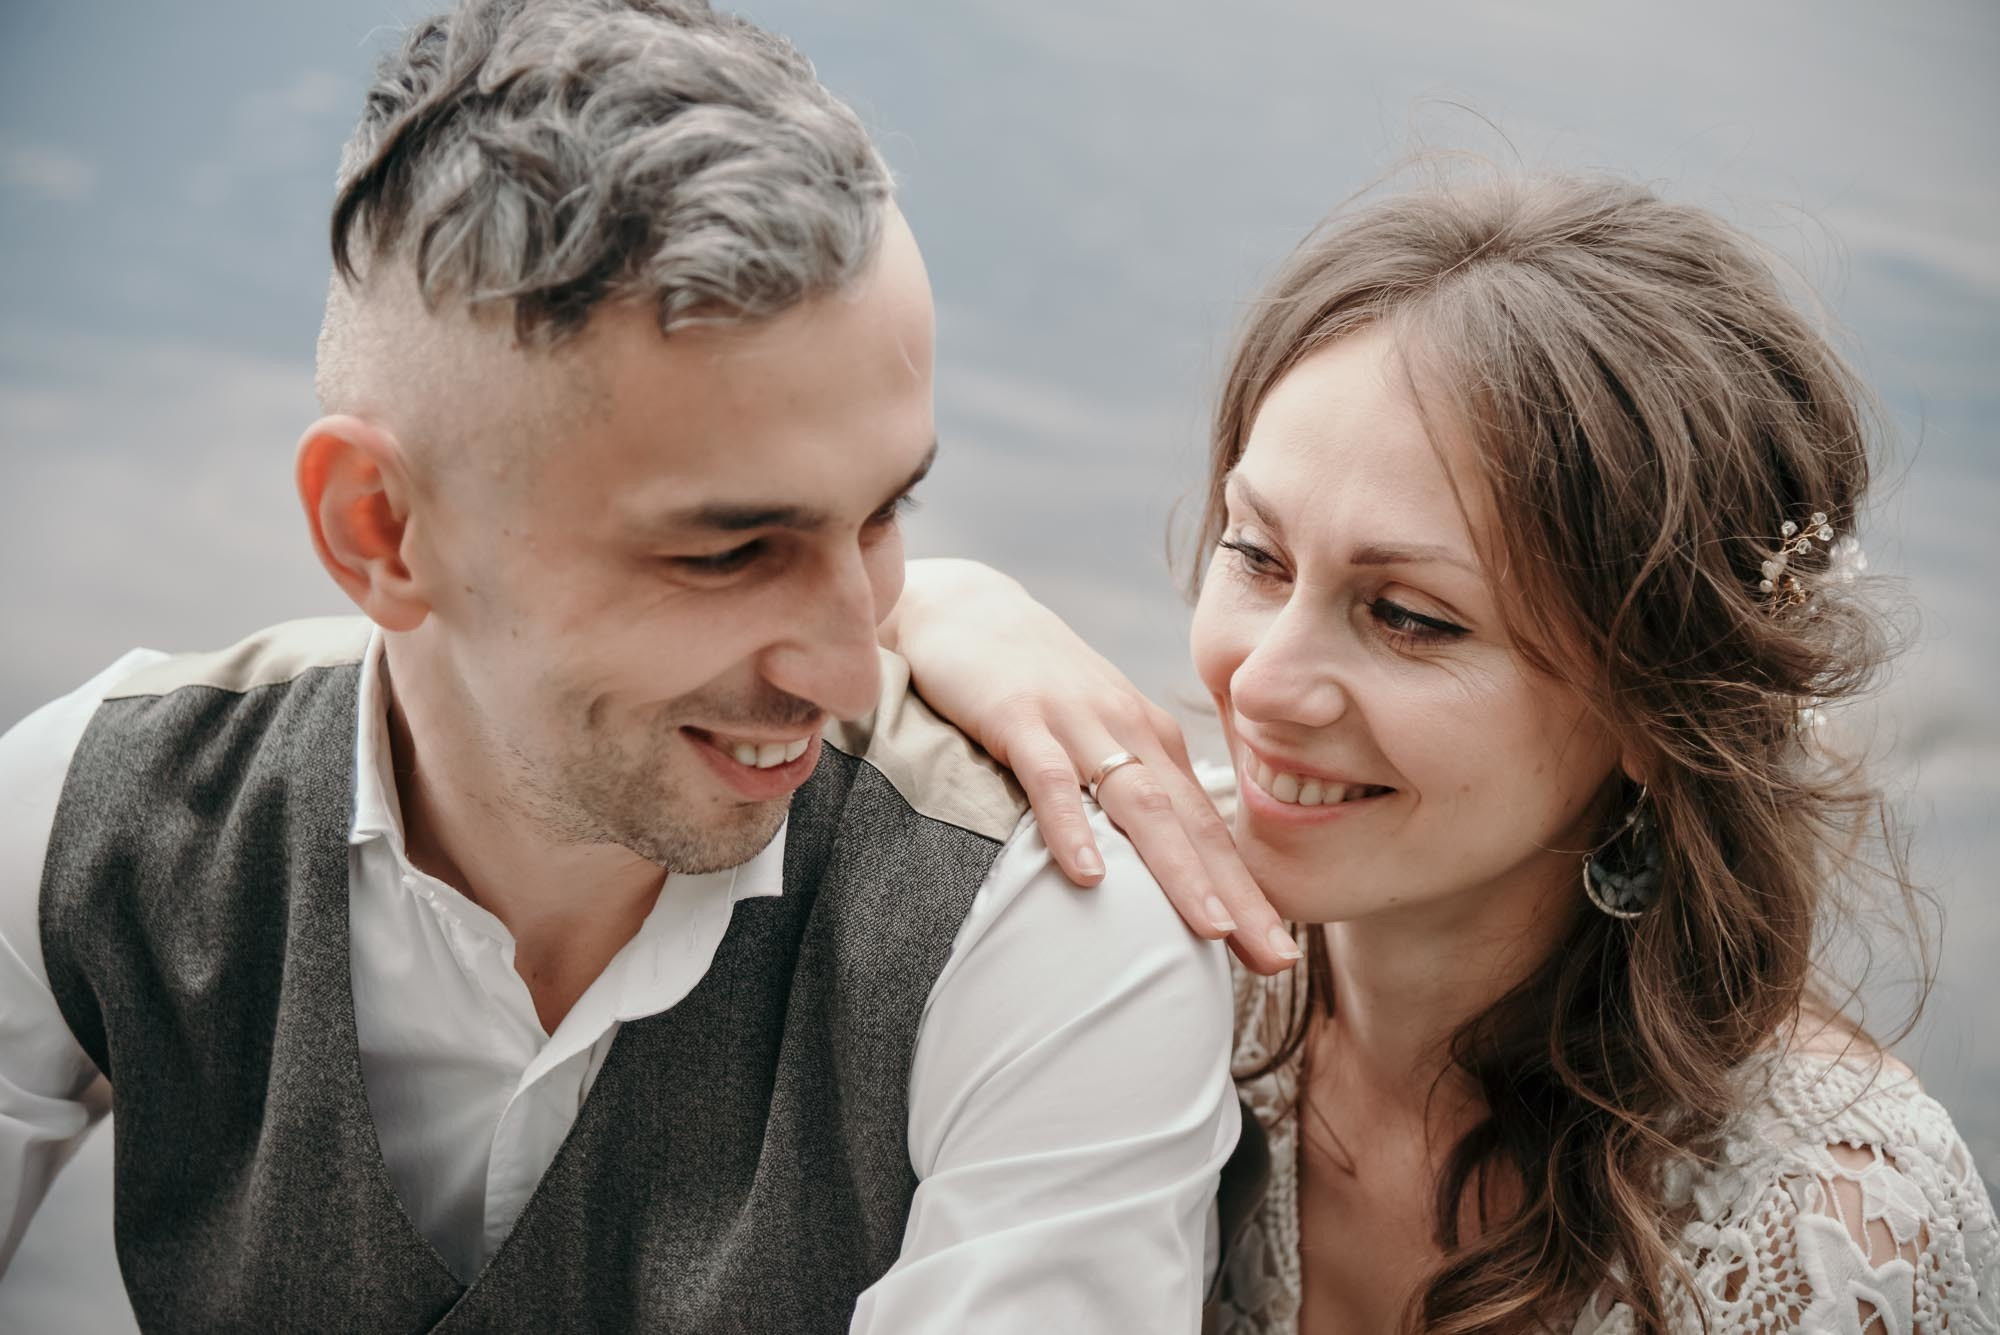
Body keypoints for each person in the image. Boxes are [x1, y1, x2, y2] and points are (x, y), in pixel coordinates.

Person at [0, 2, 1242, 1329]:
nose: (847, 665)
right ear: (380, 529)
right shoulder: (82, 818)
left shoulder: (1055, 935)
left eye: (886, 515)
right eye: (729, 553)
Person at [883, 170, 2000, 1332]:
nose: (1257, 685)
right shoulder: (1105, 944)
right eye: (1255, 554)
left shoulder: (1816, 1232)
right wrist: (929, 608)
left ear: (1653, 708)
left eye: (1407, 617)